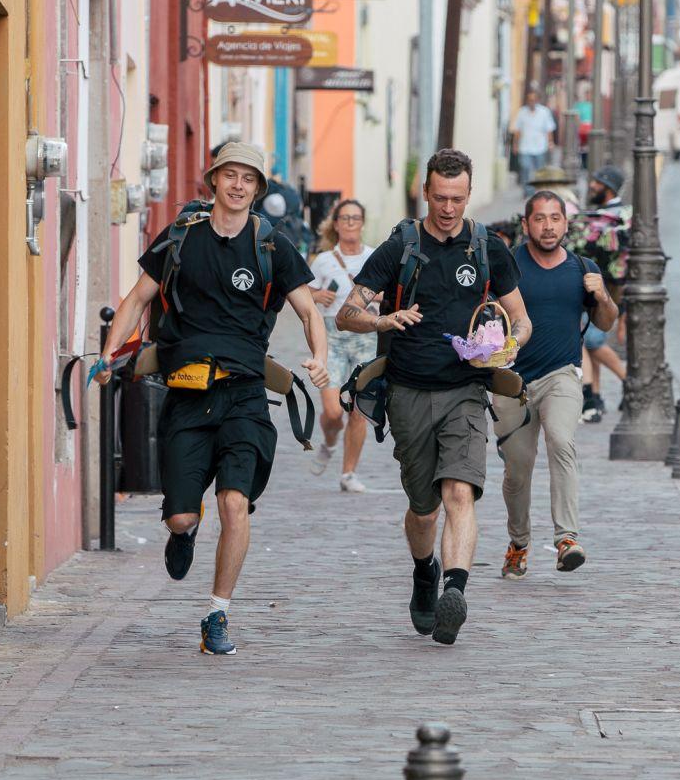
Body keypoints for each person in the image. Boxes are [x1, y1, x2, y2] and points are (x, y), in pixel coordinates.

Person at [93, 141, 330, 656]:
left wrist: (320, 358)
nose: (239, 185)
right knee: (183, 515)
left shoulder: (272, 246)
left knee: (234, 503)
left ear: (258, 188)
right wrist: (110, 354)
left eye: (249, 178)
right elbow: (137, 299)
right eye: (230, 175)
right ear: (214, 181)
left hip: (245, 395)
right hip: (187, 392)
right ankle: (182, 531)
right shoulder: (181, 237)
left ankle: (217, 614)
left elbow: (309, 312)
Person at [336, 149, 531, 646]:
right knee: (423, 509)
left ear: (470, 194)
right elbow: (346, 313)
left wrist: (507, 346)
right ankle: (426, 569)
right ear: (425, 192)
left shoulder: (489, 248)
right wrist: (383, 319)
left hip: (465, 390)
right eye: (441, 198)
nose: (449, 208)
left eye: (458, 199)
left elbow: (521, 320)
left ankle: (455, 590)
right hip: (407, 392)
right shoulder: (399, 247)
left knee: (459, 492)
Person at [495, 190, 619, 579]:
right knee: (517, 469)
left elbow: (606, 323)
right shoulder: (508, 265)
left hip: (561, 375)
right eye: (539, 219)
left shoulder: (582, 268)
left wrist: (601, 295)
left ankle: (567, 538)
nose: (548, 226)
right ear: (526, 224)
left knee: (562, 442)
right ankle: (518, 543)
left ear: (566, 224)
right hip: (511, 382)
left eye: (555, 218)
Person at [307, 199, 375, 493]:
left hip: (365, 336)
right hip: (332, 335)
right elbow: (301, 293)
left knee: (359, 410)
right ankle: (330, 440)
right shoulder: (322, 260)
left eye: (355, 218)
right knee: (334, 412)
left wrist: (377, 299)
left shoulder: (374, 257)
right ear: (335, 224)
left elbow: (389, 291)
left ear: (362, 223)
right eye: (345, 218)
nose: (350, 223)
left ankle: (349, 473)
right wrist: (316, 294)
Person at [573, 166, 630, 423]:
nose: (592, 187)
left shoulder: (616, 217)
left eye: (596, 183)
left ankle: (629, 383)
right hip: (590, 284)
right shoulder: (600, 214)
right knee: (588, 340)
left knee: (591, 341)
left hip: (606, 288)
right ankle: (595, 396)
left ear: (607, 187)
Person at [511, 90, 557, 187]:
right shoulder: (522, 112)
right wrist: (515, 145)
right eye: (530, 100)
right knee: (525, 168)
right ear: (527, 101)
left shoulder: (544, 112)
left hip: (540, 146)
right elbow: (517, 130)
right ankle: (527, 191)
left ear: (537, 100)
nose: (532, 102)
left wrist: (550, 142)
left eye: (534, 99)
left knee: (539, 170)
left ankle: (537, 190)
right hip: (525, 146)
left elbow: (549, 129)